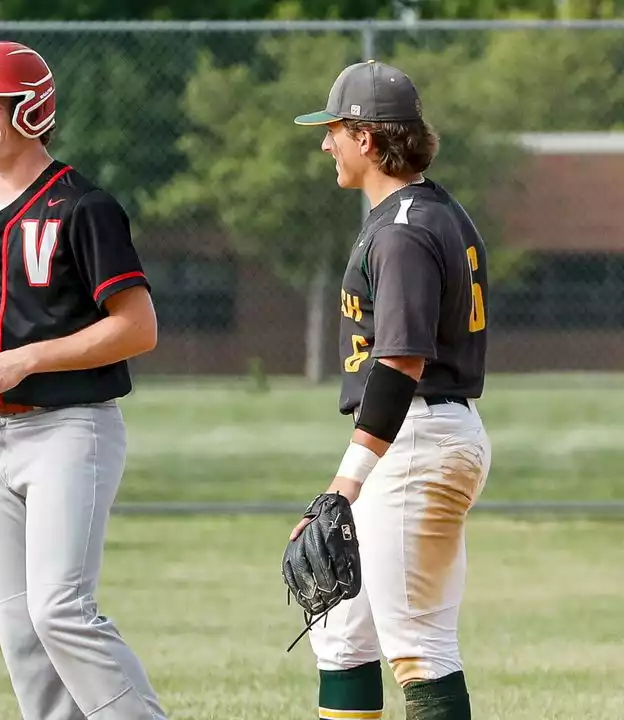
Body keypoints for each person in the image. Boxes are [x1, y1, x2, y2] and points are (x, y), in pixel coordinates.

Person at [0, 40, 167, 720]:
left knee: (60, 610)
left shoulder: (84, 206)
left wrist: (26, 358)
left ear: (32, 109)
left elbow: (138, 327)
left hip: (71, 428)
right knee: (21, 630)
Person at [288, 60, 492, 720]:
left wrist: (341, 486)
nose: (327, 144)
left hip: (419, 439)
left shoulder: (402, 229)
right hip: (413, 437)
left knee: (419, 646)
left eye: (336, 131)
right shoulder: (428, 211)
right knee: (342, 634)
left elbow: (400, 361)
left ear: (368, 139)